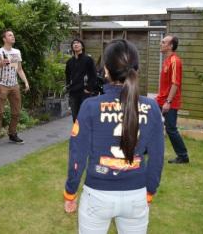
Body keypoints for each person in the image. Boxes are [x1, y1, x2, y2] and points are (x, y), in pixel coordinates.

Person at [63, 39, 165, 234]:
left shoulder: (90, 106)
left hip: (97, 195)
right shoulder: (151, 107)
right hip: (136, 196)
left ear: (106, 70)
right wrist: (149, 192)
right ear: (136, 68)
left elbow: (77, 155)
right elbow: (157, 158)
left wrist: (70, 192)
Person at [0, 29, 30, 148]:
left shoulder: (16, 52)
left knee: (16, 112)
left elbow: (19, 69)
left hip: (14, 85)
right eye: (10, 35)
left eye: (13, 35)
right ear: (4, 39)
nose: (13, 37)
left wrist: (26, 82)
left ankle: (12, 134)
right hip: (1, 85)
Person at [156, 35, 189, 164]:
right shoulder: (167, 60)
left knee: (170, 129)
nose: (161, 43)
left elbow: (176, 83)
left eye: (163, 42)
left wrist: (168, 102)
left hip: (169, 102)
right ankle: (147, 148)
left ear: (170, 46)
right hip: (160, 100)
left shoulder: (175, 61)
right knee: (153, 124)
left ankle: (183, 156)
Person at [65, 38, 97, 122]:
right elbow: (67, 75)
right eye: (74, 43)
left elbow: (93, 75)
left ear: (82, 46)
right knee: (75, 116)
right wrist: (68, 86)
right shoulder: (69, 62)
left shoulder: (88, 60)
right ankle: (77, 134)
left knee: (84, 115)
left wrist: (89, 88)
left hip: (84, 92)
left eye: (78, 43)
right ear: (72, 47)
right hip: (73, 92)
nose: (76, 44)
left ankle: (85, 134)